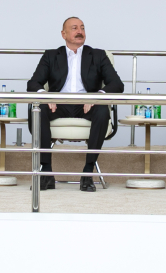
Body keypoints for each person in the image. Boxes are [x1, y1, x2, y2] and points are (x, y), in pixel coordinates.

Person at [26, 17, 124, 192]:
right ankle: (46, 172)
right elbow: (33, 83)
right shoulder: (51, 55)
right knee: (39, 109)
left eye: (82, 28)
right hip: (58, 105)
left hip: (87, 105)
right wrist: (46, 97)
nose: (80, 31)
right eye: (74, 28)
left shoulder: (98, 55)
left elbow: (117, 84)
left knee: (102, 110)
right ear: (63, 34)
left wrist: (96, 97)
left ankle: (88, 172)